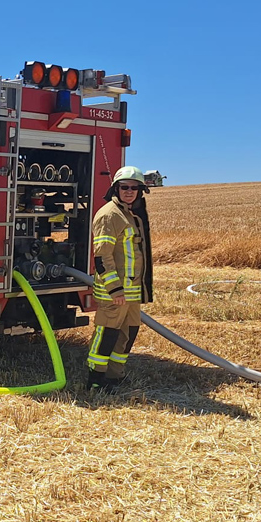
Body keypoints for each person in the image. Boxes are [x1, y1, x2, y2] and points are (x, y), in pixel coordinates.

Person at [87, 165, 154, 391]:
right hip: (114, 292)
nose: (129, 191)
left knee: (127, 334)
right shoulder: (109, 215)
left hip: (132, 291)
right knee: (106, 334)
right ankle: (95, 380)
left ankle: (114, 376)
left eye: (134, 188)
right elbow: (102, 256)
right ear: (116, 188)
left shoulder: (129, 214)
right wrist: (115, 289)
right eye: (124, 187)